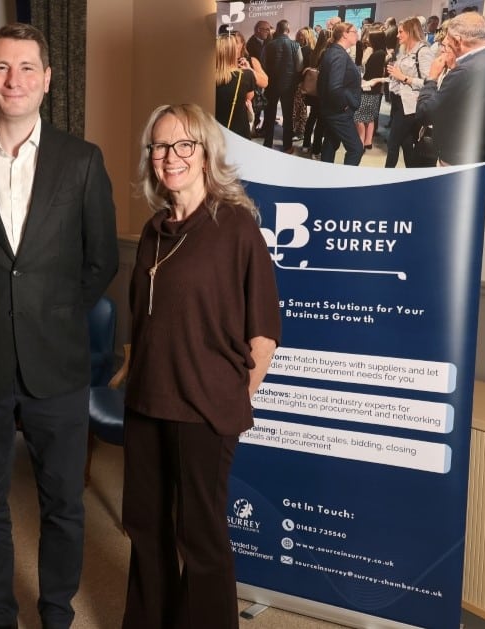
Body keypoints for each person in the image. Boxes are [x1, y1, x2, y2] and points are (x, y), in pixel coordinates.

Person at [0, 22, 118, 629]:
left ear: (47, 80)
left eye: (27, 68)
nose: (14, 80)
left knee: (63, 504)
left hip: (57, 365)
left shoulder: (82, 161)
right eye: (2, 67)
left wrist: (52, 311)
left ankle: (58, 613)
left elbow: (102, 261)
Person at [122, 103, 280, 629]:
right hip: (147, 402)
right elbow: (142, 321)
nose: (171, 156)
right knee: (145, 526)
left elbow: (263, 335)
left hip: (204, 409)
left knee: (201, 538)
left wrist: (234, 395)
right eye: (161, 146)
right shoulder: (153, 230)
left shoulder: (236, 227)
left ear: (207, 153)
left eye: (184, 144)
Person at [415, 12, 485, 165]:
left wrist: (432, 78)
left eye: (447, 40)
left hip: (457, 160)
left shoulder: (464, 72)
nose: (444, 45)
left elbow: (425, 113)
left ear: (458, 40)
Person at [384, 16, 436, 167]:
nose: (397, 35)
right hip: (398, 101)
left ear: (411, 32)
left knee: (393, 143)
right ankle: (411, 175)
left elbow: (430, 82)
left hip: (410, 106)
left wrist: (403, 77)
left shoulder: (423, 51)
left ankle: (386, 180)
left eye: (401, 32)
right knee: (406, 144)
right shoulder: (404, 50)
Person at [318, 22, 365, 165]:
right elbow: (334, 87)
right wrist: (344, 106)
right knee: (356, 149)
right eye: (354, 32)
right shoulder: (339, 55)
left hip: (331, 109)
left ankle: (326, 178)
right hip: (338, 112)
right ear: (345, 34)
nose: (357, 34)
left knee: (331, 143)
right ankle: (345, 182)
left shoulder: (333, 51)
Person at [259, 20, 303, 152]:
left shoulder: (268, 46)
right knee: (288, 116)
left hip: (271, 84)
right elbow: (299, 66)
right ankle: (287, 146)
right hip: (289, 86)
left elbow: (263, 64)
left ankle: (267, 144)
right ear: (288, 30)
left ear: (277, 30)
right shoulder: (295, 45)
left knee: (269, 114)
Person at [214, 34, 263, 138]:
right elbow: (249, 98)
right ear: (232, 52)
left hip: (214, 127)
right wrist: (248, 68)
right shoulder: (246, 75)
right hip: (238, 127)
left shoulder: (207, 76)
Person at [355, 25, 389, 151]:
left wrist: (363, 81)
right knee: (369, 117)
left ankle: (361, 141)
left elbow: (370, 73)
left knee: (359, 116)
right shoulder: (381, 53)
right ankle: (368, 141)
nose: (368, 39)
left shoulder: (377, 54)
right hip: (374, 89)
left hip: (369, 87)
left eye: (370, 37)